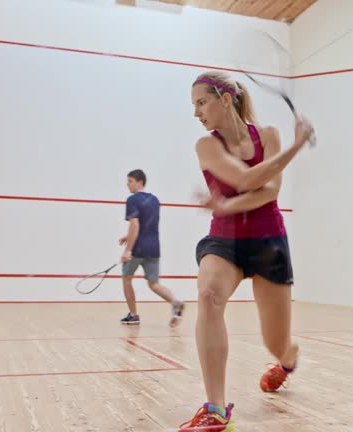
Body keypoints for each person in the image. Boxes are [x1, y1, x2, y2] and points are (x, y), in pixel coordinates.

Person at [178, 71, 314, 431]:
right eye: (194, 105)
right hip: (224, 241)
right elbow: (244, 179)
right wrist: (296, 148)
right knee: (208, 295)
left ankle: (286, 360)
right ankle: (216, 410)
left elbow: (269, 191)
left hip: (268, 241)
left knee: (277, 342)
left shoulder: (268, 136)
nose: (196, 112)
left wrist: (225, 205)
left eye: (201, 102)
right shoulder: (205, 146)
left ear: (225, 99)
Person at [119, 169, 185, 327]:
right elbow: (147, 224)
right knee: (154, 283)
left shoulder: (132, 200)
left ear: (140, 182)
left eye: (130, 181)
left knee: (127, 279)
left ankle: (133, 315)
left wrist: (128, 249)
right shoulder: (154, 200)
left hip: (138, 249)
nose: (128, 185)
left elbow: (135, 224)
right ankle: (175, 302)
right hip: (154, 248)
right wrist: (128, 236)